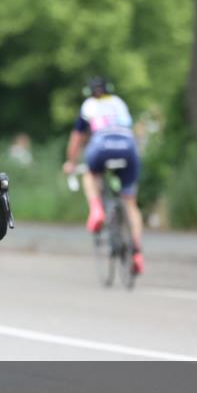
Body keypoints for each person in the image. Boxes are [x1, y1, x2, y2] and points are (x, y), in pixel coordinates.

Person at [62, 76, 144, 275]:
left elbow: (77, 137)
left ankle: (96, 209)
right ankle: (137, 252)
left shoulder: (88, 105)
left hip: (101, 146)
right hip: (128, 147)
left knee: (90, 174)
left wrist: (71, 162)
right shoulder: (119, 102)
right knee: (130, 203)